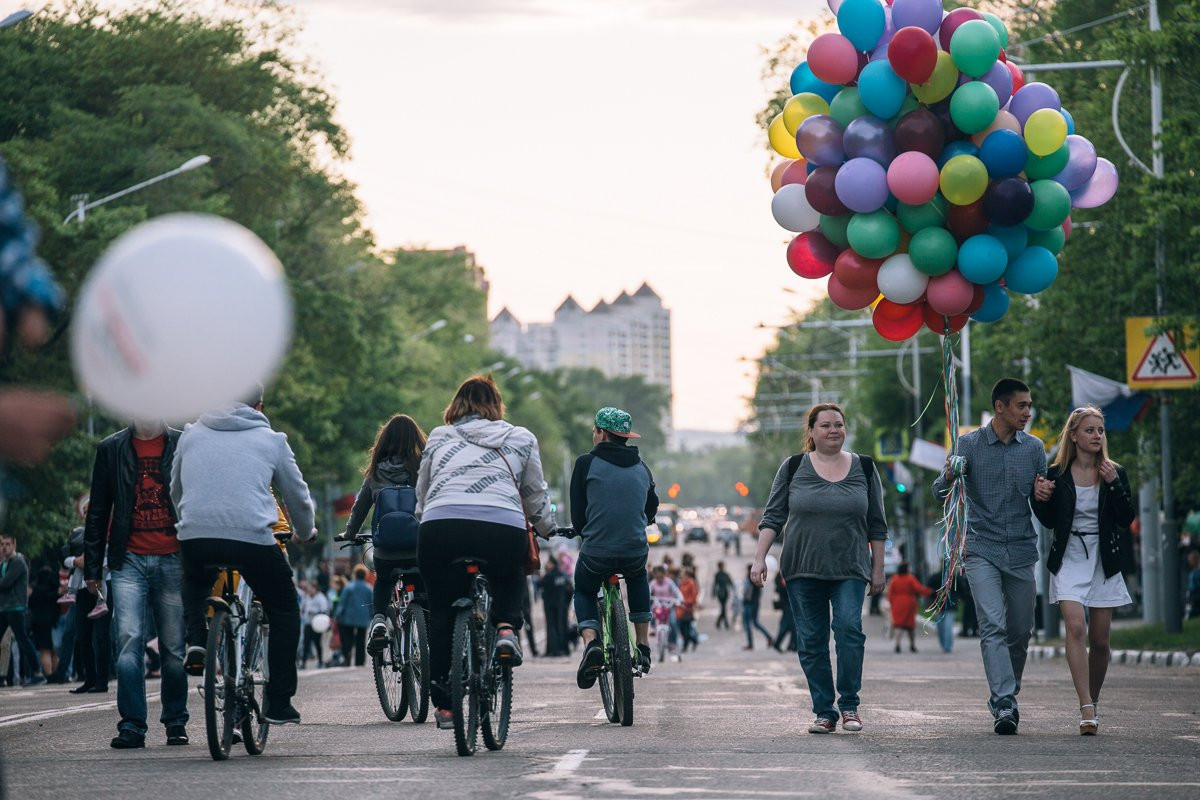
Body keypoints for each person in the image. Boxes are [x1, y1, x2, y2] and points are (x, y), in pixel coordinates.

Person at [415, 375, 555, 729]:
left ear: (455, 405)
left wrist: (425, 518)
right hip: (501, 527)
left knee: (442, 614)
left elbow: (423, 492)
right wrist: (547, 528)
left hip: (441, 526)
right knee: (509, 571)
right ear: (497, 406)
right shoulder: (520, 437)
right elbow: (534, 494)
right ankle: (507, 628)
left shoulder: (438, 436)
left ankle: (445, 705)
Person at [172, 384, 316, 727]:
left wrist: (188, 523)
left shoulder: (191, 435)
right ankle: (279, 702)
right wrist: (305, 530)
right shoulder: (272, 440)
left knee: (194, 584)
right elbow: (297, 495)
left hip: (197, 535)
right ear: (260, 405)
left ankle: (196, 641)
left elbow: (175, 488)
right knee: (283, 608)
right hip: (251, 538)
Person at [753, 403, 886, 733]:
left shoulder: (865, 468)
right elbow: (773, 517)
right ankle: (824, 712)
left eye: (839, 425)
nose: (833, 430)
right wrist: (759, 559)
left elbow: (877, 525)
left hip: (851, 568)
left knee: (849, 631)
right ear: (811, 432)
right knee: (811, 641)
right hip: (802, 569)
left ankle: (850, 705)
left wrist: (879, 569)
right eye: (825, 425)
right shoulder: (794, 466)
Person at [933, 378, 1049, 736]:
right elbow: (939, 490)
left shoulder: (1034, 449)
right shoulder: (968, 444)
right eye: (1021, 406)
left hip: (1021, 549)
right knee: (993, 625)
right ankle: (1003, 701)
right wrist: (951, 472)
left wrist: (1043, 492)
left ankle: (1007, 691)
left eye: (1029, 406)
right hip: (980, 547)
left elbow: (1043, 500)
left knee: (1020, 630)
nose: (1027, 412)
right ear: (1000, 407)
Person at [83, 420, 189, 748]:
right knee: (128, 642)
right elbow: (98, 511)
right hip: (127, 558)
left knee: (173, 648)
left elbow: (197, 497)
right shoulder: (111, 448)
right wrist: (92, 568)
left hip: (174, 556)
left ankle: (175, 721)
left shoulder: (183, 443)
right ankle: (132, 725)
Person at [1032, 406, 1135, 735]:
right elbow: (1048, 520)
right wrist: (1039, 498)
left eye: (1101, 430)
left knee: (1100, 640)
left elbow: (1125, 518)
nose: (1097, 436)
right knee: (1075, 628)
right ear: (1073, 435)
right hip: (1070, 556)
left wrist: (1115, 484)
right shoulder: (1057, 473)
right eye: (1090, 430)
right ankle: (1085, 707)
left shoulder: (1113, 471)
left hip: (1104, 558)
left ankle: (1094, 697)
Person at [567, 406, 658, 686]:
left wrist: (585, 532)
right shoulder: (642, 467)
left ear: (602, 434)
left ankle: (592, 643)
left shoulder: (586, 463)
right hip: (633, 550)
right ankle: (642, 645)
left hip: (597, 552)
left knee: (583, 588)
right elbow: (651, 508)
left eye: (595, 430)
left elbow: (578, 512)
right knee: (638, 576)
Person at [336, 413, 427, 654]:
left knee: (384, 580)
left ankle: (378, 620)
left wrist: (349, 534)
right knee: (424, 587)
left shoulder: (375, 473)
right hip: (418, 548)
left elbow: (359, 508)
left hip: (386, 549)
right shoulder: (423, 471)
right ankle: (426, 638)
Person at [0, 534, 44, 685]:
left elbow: (5, 583)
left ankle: (38, 673)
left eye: (7, 544)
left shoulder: (18, 561)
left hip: (16, 607)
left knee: (23, 640)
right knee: (20, 640)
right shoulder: (4, 563)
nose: (4, 547)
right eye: (2, 544)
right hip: (4, 608)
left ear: (14, 545)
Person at [886, 562, 931, 653]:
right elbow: (919, 588)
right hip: (909, 603)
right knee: (910, 626)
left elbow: (890, 593)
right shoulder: (910, 578)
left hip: (897, 603)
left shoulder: (894, 579)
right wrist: (930, 592)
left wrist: (892, 603)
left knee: (898, 625)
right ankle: (912, 645)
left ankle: (897, 644)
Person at [334, 564, 372, 667]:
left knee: (347, 639)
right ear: (365, 575)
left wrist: (337, 616)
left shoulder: (349, 587)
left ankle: (347, 657)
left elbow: (342, 603)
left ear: (355, 574)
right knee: (361, 640)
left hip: (348, 617)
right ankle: (360, 662)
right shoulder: (368, 588)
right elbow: (371, 603)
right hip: (363, 618)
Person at [537, 555, 573, 657]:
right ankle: (564, 649)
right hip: (562, 605)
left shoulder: (549, 576)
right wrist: (567, 603)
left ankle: (553, 650)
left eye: (548, 563)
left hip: (550, 605)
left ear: (552, 564)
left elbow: (539, 584)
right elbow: (570, 589)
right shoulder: (563, 575)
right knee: (562, 626)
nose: (546, 565)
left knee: (551, 627)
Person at [740, 564, 773, 650]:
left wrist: (744, 601)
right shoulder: (757, 578)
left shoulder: (750, 578)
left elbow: (747, 592)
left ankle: (750, 644)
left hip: (749, 603)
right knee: (755, 623)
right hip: (755, 603)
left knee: (748, 624)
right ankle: (769, 637)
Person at [299, 580, 331, 669]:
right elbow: (303, 607)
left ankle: (320, 661)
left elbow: (324, 610)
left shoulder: (320, 597)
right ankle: (303, 662)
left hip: (317, 624)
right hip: (308, 623)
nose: (309, 589)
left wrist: (313, 612)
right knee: (306, 643)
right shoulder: (307, 597)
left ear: (315, 588)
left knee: (317, 643)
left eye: (311, 588)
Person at [712, 561, 733, 630]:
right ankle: (725, 623)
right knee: (723, 608)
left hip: (725, 593)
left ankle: (719, 622)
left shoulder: (725, 574)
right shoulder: (718, 574)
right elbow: (715, 584)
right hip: (720, 593)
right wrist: (713, 593)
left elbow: (730, 582)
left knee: (723, 608)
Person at [1187, 550, 1200, 620]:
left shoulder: (1196, 573)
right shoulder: (1193, 572)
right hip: (1193, 595)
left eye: (1191, 560)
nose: (1189, 562)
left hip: (1196, 595)